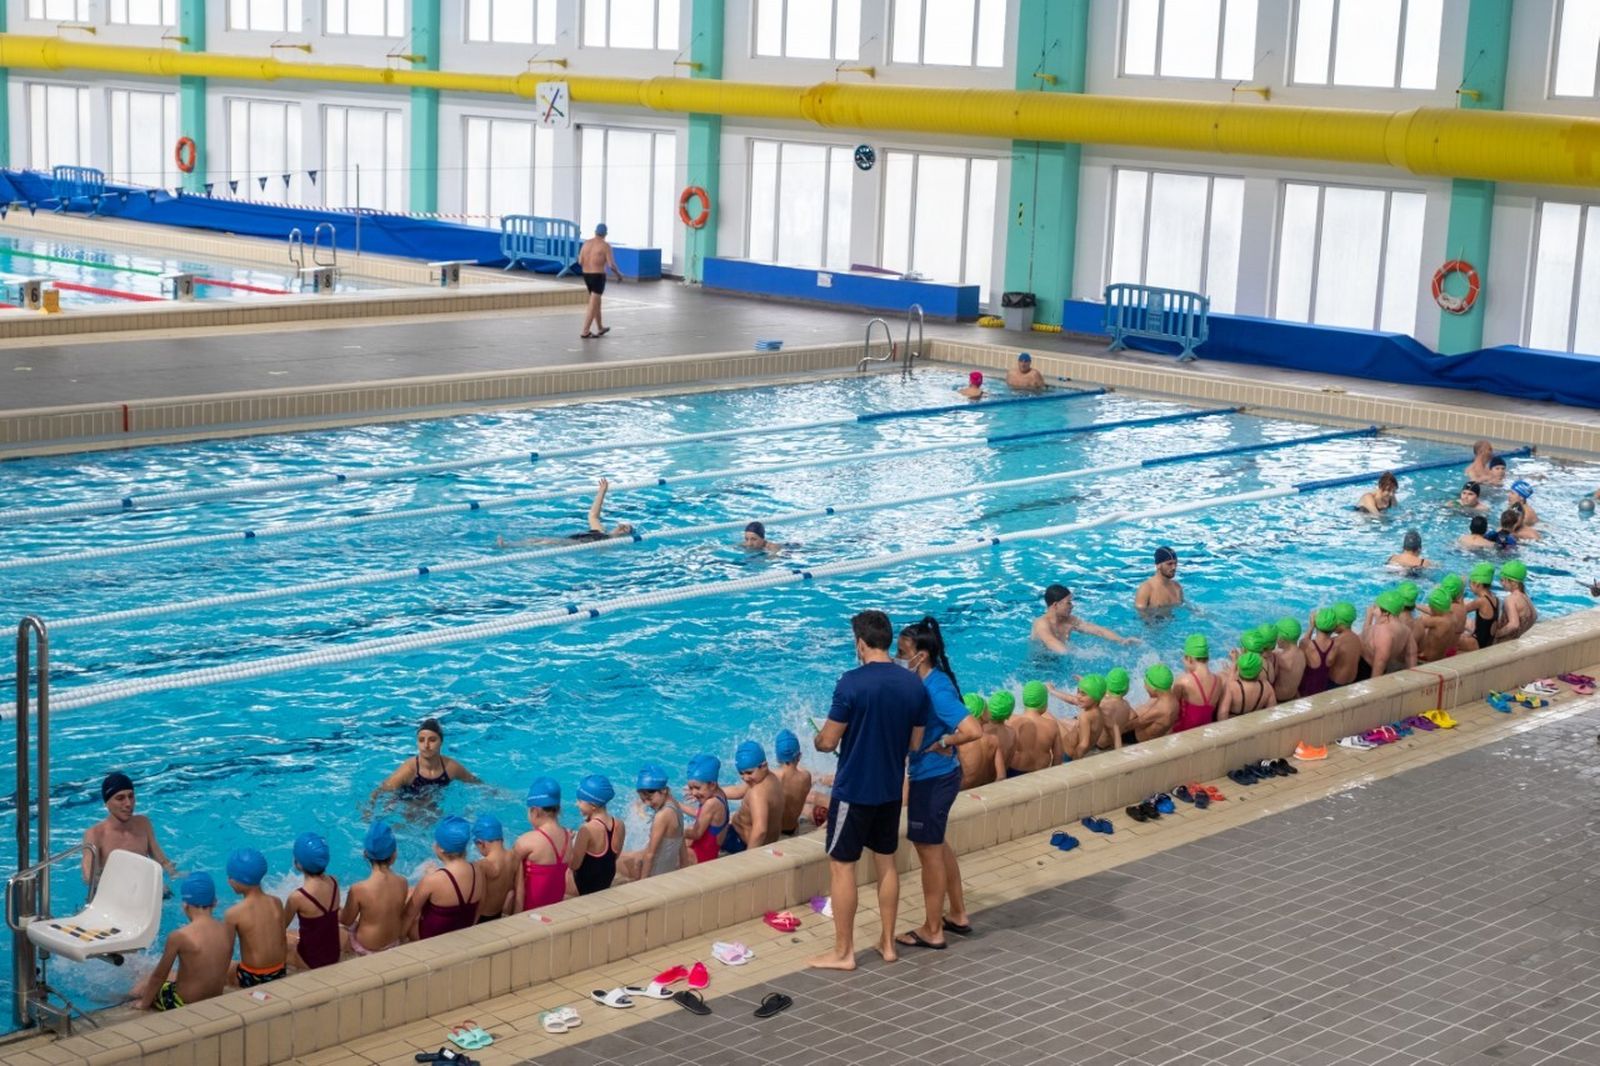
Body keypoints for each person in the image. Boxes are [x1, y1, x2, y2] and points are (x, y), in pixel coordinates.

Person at [810, 609, 929, 971]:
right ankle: (888, 943)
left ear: (860, 643)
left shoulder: (851, 682)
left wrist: (819, 737)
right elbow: (915, 742)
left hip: (854, 790)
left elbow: (828, 742)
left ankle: (844, 952)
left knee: (842, 867)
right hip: (891, 788)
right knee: (886, 863)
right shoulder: (914, 684)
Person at [895, 617, 980, 950]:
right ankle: (957, 914)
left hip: (933, 780)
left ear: (922, 655)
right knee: (938, 846)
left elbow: (974, 730)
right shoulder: (931, 682)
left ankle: (933, 929)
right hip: (937, 776)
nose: (898, 657)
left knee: (929, 854)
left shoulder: (935, 689)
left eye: (902, 651)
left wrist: (945, 741)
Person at [134, 872, 229, 1011]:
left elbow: (159, 976)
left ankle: (120, 999)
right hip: (214, 996)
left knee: (145, 982)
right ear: (215, 902)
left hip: (182, 1002)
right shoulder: (225, 930)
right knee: (174, 974)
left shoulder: (179, 936)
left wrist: (144, 1004)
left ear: (185, 905)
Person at [82, 772, 177, 887]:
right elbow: (88, 876)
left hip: (144, 886)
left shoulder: (143, 823)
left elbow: (163, 861)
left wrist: (175, 874)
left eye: (131, 796)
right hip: (115, 892)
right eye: (120, 798)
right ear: (107, 803)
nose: (128, 803)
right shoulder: (95, 834)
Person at [497, 477, 635, 548]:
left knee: (544, 542)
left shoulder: (607, 542)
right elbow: (593, 515)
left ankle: (508, 547)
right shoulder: (601, 531)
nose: (620, 529)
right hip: (569, 539)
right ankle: (509, 545)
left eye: (623, 529)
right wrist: (602, 492)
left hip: (571, 544)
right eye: (621, 526)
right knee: (537, 540)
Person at [404, 816, 483, 941]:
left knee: (409, 895)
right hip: (463, 932)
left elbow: (408, 914)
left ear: (441, 848)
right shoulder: (478, 870)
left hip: (429, 938)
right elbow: (478, 909)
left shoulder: (432, 880)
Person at [223, 848, 287, 988]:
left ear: (238, 881)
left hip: (252, 977)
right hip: (280, 971)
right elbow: (283, 939)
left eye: (230, 877)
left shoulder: (233, 913)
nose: (228, 881)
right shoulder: (276, 902)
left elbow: (227, 953)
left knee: (223, 968)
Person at [340, 821, 406, 957]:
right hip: (394, 942)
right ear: (394, 855)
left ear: (365, 854)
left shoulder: (358, 889)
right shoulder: (402, 882)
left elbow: (346, 921)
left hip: (365, 946)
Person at [371, 718, 479, 801]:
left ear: (441, 742)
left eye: (432, 740)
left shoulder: (450, 767)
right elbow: (378, 792)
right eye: (421, 740)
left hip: (433, 806)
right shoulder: (408, 770)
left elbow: (477, 783)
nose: (426, 745)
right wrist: (367, 813)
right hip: (407, 805)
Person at [283, 832, 342, 970]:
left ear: (298, 864)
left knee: (283, 941)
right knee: (293, 934)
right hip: (334, 955)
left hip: (310, 961)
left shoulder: (297, 897)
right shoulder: (335, 882)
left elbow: (280, 927)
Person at [512, 777, 573, 911]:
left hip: (529, 911)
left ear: (535, 811)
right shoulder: (568, 837)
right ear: (558, 809)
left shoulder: (526, 841)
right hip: (554, 908)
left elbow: (512, 879)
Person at [617, 765, 684, 881]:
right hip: (667, 868)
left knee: (612, 862)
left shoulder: (662, 816)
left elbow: (650, 854)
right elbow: (681, 843)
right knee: (626, 855)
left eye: (650, 798)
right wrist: (685, 868)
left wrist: (643, 882)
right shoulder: (675, 805)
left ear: (663, 790)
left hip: (656, 873)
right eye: (644, 800)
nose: (647, 803)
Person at [1031, 584, 1136, 653]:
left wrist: (1121, 640)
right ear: (1055, 605)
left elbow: (1097, 630)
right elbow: (1050, 641)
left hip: (1060, 659)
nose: (1072, 606)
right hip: (1040, 664)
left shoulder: (1068, 620)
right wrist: (1077, 653)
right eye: (1068, 603)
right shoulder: (1042, 623)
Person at [721, 743, 783, 854]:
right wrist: (712, 792)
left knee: (705, 831)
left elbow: (760, 831)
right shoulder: (771, 778)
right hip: (765, 841)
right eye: (741, 773)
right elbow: (739, 791)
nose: (745, 778)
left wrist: (749, 859)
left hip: (741, 843)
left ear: (764, 766)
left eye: (749, 773)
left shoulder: (757, 793)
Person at [569, 775, 625, 895]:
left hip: (585, 888)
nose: (576, 804)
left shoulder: (586, 829)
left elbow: (574, 865)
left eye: (579, 801)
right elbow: (614, 857)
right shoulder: (619, 824)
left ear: (593, 805)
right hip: (605, 882)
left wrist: (568, 842)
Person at [1358, 590, 1416, 680]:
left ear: (1386, 612)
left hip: (1365, 670)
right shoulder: (1405, 630)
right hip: (1376, 668)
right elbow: (1411, 654)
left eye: (1376, 608)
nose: (1373, 611)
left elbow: (1380, 661)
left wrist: (1374, 684)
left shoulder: (1384, 632)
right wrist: (1413, 676)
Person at [682, 756, 730, 865]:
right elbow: (700, 815)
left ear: (712, 785)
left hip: (700, 857)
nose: (693, 793)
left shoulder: (711, 803)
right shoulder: (719, 794)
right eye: (691, 788)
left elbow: (696, 834)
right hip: (705, 852)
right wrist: (677, 805)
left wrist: (677, 832)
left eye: (697, 788)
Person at [578, 222, 622, 339]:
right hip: (597, 276)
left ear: (595, 232)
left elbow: (580, 261)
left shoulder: (586, 243)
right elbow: (611, 265)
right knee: (593, 304)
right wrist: (618, 275)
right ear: (605, 234)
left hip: (586, 275)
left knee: (596, 301)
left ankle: (600, 327)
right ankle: (585, 331)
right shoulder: (605, 246)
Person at [1170, 634, 1219, 733]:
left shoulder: (1183, 681)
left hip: (1182, 731)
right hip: (1205, 729)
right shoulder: (1218, 680)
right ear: (1207, 657)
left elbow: (1172, 709)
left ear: (1189, 659)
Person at [471, 814, 516, 922]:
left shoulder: (482, 865)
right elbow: (519, 891)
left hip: (483, 917)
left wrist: (473, 924)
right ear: (502, 839)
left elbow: (480, 901)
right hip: (501, 913)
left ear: (481, 843)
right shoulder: (514, 856)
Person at [1011, 681, 1063, 772]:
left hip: (1014, 772)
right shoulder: (1052, 725)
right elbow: (1058, 756)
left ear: (1024, 700)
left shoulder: (1012, 721)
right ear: (1045, 703)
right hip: (1041, 772)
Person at [771, 730, 813, 835]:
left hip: (776, 832)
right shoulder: (806, 776)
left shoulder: (773, 777)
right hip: (793, 829)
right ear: (799, 756)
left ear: (777, 758)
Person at [1124, 665, 1180, 743]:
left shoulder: (1159, 710)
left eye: (1146, 685)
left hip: (1136, 738)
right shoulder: (1173, 699)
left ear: (1154, 688)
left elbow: (1133, 725)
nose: (1144, 687)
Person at [956, 694, 1002, 788]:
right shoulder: (993, 740)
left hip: (962, 790)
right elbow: (1001, 776)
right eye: (987, 709)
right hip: (983, 788)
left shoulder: (958, 741)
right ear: (981, 714)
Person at [1060, 675, 1110, 759]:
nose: (1078, 696)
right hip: (1068, 749)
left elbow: (1083, 744)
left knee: (1049, 720)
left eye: (1083, 694)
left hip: (1066, 755)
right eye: (1078, 691)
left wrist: (1074, 763)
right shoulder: (1098, 711)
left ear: (1095, 697)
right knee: (1060, 722)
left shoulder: (1085, 716)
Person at [1217, 652, 1276, 720]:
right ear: (1259, 670)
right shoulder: (1266, 687)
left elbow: (1222, 713)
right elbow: (1272, 711)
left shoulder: (1231, 688)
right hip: (1255, 721)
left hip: (1235, 724)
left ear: (1239, 670)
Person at [1298, 609, 1338, 697]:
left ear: (1316, 624)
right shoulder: (1335, 646)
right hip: (1322, 689)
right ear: (1334, 627)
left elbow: (1303, 643)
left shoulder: (1307, 645)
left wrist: (1311, 626)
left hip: (1304, 691)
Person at [1416, 587, 1461, 663]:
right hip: (1441, 656)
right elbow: (1432, 612)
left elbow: (1417, 623)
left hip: (1427, 658)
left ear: (1437, 609)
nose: (1430, 609)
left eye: (1431, 607)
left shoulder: (1438, 621)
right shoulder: (1453, 617)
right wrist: (1416, 605)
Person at [1495, 560, 1536, 640]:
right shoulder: (1525, 597)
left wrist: (1497, 634)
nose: (1501, 583)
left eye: (1503, 580)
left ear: (1514, 583)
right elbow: (1534, 616)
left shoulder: (1511, 599)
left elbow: (1514, 624)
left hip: (1503, 641)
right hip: (1514, 639)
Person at [1134, 546, 1184, 612]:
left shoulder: (1177, 587)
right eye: (1169, 564)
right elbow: (1141, 615)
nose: (1174, 567)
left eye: (1175, 563)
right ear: (1158, 565)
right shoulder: (1146, 589)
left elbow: (1184, 606)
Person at [983, 691, 1019, 781]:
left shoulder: (980, 730)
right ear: (1009, 714)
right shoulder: (1012, 733)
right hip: (996, 779)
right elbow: (1008, 763)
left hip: (978, 780)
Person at [1096, 668, 1135, 749]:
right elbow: (1133, 716)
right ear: (1126, 688)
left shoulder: (1103, 704)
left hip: (1098, 743)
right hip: (1110, 742)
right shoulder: (1126, 705)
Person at [1465, 562, 1501, 651]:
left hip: (1477, 643)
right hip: (1488, 642)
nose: (1469, 586)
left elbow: (1460, 611)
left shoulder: (1480, 601)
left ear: (1477, 584)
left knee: (1448, 639)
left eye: (1470, 583)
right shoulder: (1495, 599)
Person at [1328, 602, 1364, 686]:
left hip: (1336, 683)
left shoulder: (1337, 641)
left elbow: (1328, 662)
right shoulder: (1356, 638)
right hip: (1351, 681)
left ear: (1339, 624)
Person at [1271, 618, 1306, 702]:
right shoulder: (1302, 654)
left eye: (1276, 636)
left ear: (1282, 639)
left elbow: (1271, 678)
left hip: (1279, 698)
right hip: (1292, 695)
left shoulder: (1281, 658)